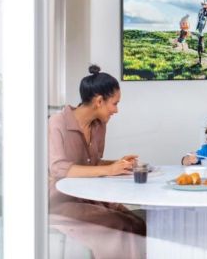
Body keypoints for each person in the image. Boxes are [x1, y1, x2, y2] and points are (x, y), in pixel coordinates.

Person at [48, 65, 146, 259]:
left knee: (138, 223)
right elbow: (58, 168)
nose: (116, 110)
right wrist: (110, 169)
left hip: (89, 195)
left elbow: (92, 163)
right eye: (115, 103)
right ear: (99, 101)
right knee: (120, 225)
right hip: (60, 201)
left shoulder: (99, 125)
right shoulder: (57, 123)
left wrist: (120, 164)